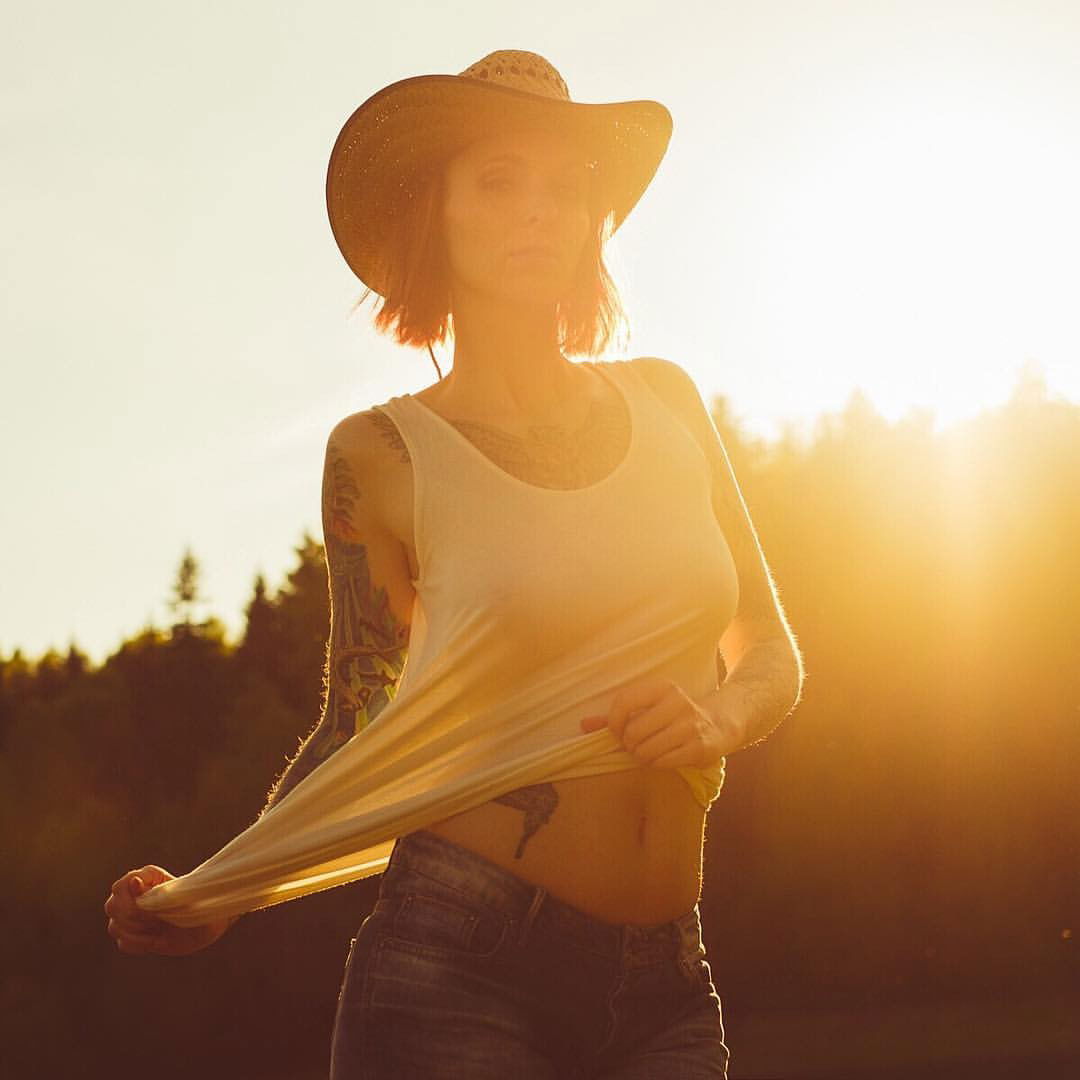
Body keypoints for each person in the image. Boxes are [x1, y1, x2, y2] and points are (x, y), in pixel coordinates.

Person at [105, 48, 804, 1078]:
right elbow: (359, 723)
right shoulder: (380, 456)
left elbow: (771, 654)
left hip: (667, 983)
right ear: (436, 212)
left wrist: (716, 717)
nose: (539, 211)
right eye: (500, 180)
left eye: (566, 188)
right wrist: (220, 889)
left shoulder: (668, 401)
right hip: (457, 969)